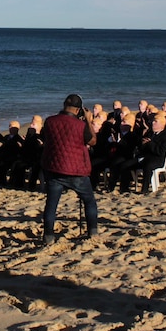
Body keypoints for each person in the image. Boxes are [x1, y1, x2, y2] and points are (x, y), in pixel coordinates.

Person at [40, 94, 99, 244]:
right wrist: (87, 120)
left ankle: (48, 236)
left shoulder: (50, 121)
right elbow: (92, 141)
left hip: (54, 168)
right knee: (89, 201)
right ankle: (93, 232)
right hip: (76, 170)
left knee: (51, 204)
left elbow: (46, 137)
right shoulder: (80, 125)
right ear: (78, 109)